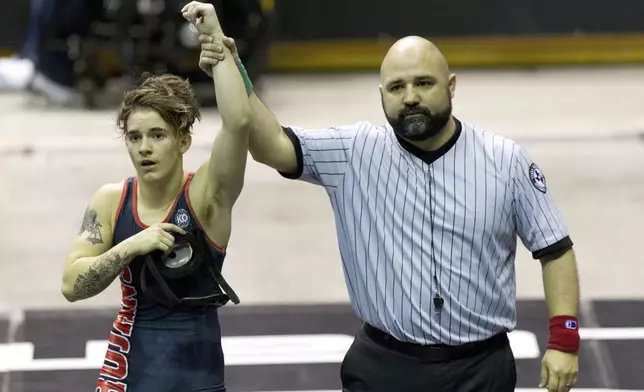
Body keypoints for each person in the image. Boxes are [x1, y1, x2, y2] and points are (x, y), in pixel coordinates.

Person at [198, 25, 581, 392]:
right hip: (384, 367)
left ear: (451, 86)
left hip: (480, 371)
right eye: (397, 87)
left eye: (423, 83)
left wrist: (564, 340)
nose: (410, 96)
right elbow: (271, 145)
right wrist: (233, 69)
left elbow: (554, 249)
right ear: (381, 94)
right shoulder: (353, 152)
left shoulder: (506, 161)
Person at [60, 2, 252, 391]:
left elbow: (239, 122)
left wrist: (214, 41)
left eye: (157, 135)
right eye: (134, 137)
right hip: (129, 376)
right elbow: (71, 285)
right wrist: (131, 245)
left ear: (183, 140)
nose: (143, 148)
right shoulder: (112, 200)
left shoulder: (207, 197)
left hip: (202, 379)